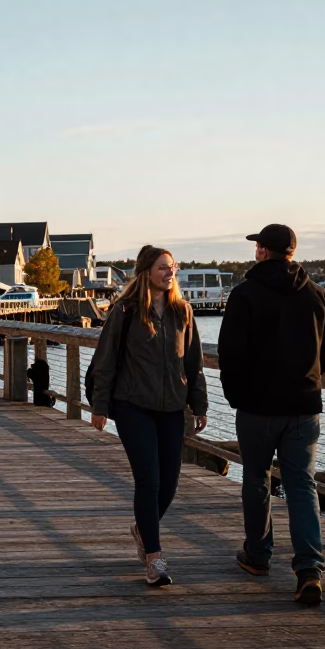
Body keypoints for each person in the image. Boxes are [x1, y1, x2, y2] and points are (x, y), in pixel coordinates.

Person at [219, 224, 325, 606]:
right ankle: (309, 569)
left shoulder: (245, 294)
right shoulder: (317, 295)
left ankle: (258, 556)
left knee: (256, 480)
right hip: (304, 406)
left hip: (257, 407)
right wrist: (308, 380)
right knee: (302, 485)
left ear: (262, 251)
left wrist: (236, 396)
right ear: (292, 252)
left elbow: (230, 354)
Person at [89, 245, 207, 588]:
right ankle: (154, 559)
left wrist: (199, 405)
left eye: (172, 267)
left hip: (173, 408)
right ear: (146, 273)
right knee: (149, 481)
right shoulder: (125, 311)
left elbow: (194, 364)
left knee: (169, 483)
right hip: (133, 406)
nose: (169, 273)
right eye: (162, 267)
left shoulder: (182, 312)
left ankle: (142, 529)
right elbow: (106, 360)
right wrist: (99, 406)